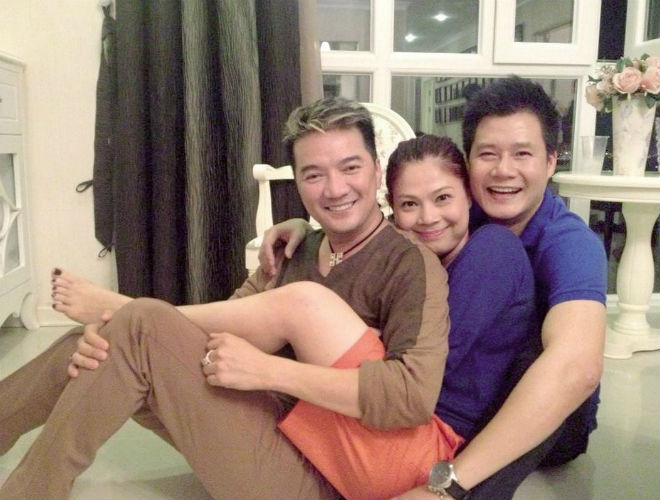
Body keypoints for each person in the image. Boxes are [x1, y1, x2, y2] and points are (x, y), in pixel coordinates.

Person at [0, 97, 456, 500]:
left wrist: (269, 370)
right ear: (297, 182)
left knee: (136, 326)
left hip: (326, 475)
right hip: (264, 428)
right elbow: (223, 324)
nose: (334, 189)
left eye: (350, 168)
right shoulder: (296, 247)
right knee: (93, 343)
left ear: (376, 169)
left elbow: (411, 397)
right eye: (314, 174)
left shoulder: (408, 263)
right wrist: (121, 328)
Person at [51, 133, 540, 499]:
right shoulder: (412, 254)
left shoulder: (490, 251)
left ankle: (134, 311)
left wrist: (274, 361)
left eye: (443, 198)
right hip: (362, 430)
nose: (428, 217)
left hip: (414, 446)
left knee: (288, 309)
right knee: (106, 350)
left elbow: (416, 381)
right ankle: (137, 321)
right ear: (391, 206)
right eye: (410, 204)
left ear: (468, 197)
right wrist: (308, 232)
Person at [261, 77, 608, 499]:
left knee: (531, 350)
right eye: (488, 154)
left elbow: (576, 370)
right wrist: (309, 229)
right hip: (460, 382)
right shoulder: (457, 209)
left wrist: (449, 483)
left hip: (554, 416)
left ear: (551, 161)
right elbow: (389, 227)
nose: (503, 170)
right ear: (468, 162)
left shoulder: (569, 243)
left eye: (523, 154)